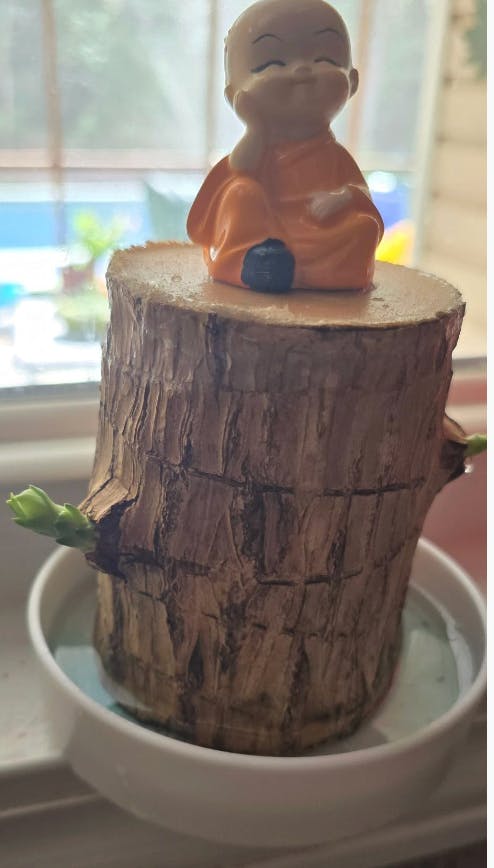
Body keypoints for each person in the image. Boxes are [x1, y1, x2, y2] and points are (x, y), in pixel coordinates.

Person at [187, 0, 384, 293]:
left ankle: (306, 273)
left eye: (324, 59)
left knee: (364, 228)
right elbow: (240, 169)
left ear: (352, 81)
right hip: (264, 231)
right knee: (241, 192)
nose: (302, 70)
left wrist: (342, 197)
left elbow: (360, 193)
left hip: (319, 230)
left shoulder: (335, 156)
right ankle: (245, 263)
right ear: (234, 94)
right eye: (272, 64)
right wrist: (256, 129)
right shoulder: (259, 146)